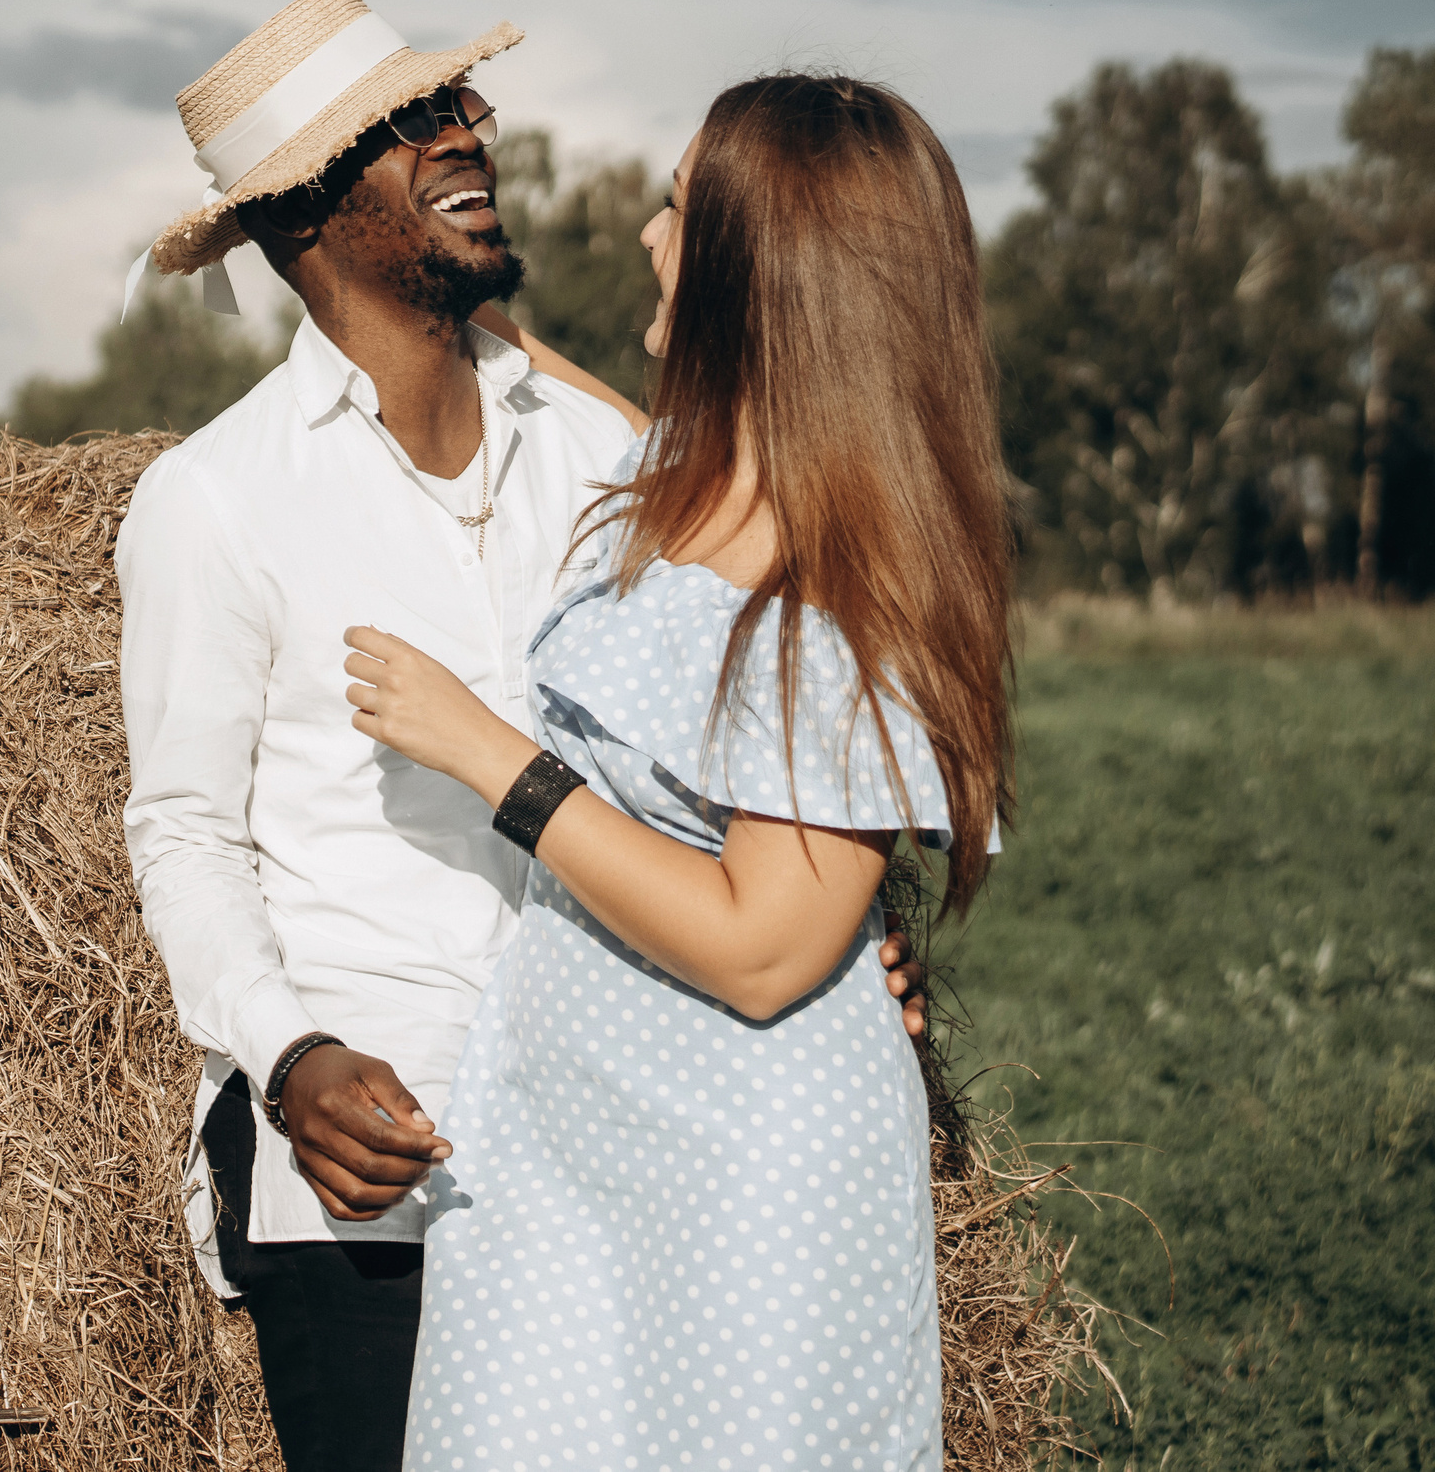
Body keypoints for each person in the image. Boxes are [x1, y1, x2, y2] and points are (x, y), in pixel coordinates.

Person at [115, 0, 931, 1472]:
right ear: (304, 209)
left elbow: (754, 726)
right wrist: (290, 1061)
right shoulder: (215, 500)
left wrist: (844, 926)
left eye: (458, 101)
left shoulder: (614, 458)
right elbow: (180, 836)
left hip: (629, 1150)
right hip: (377, 1167)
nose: (467, 127)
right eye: (409, 123)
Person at [341, 73, 1012, 1470]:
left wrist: (493, 758)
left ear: (770, 272)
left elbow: (767, 952)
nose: (650, 236)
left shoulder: (845, 584)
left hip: (744, 1181)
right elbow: (545, 366)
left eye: (681, 208)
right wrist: (407, 263)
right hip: (573, 1146)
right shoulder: (683, 477)